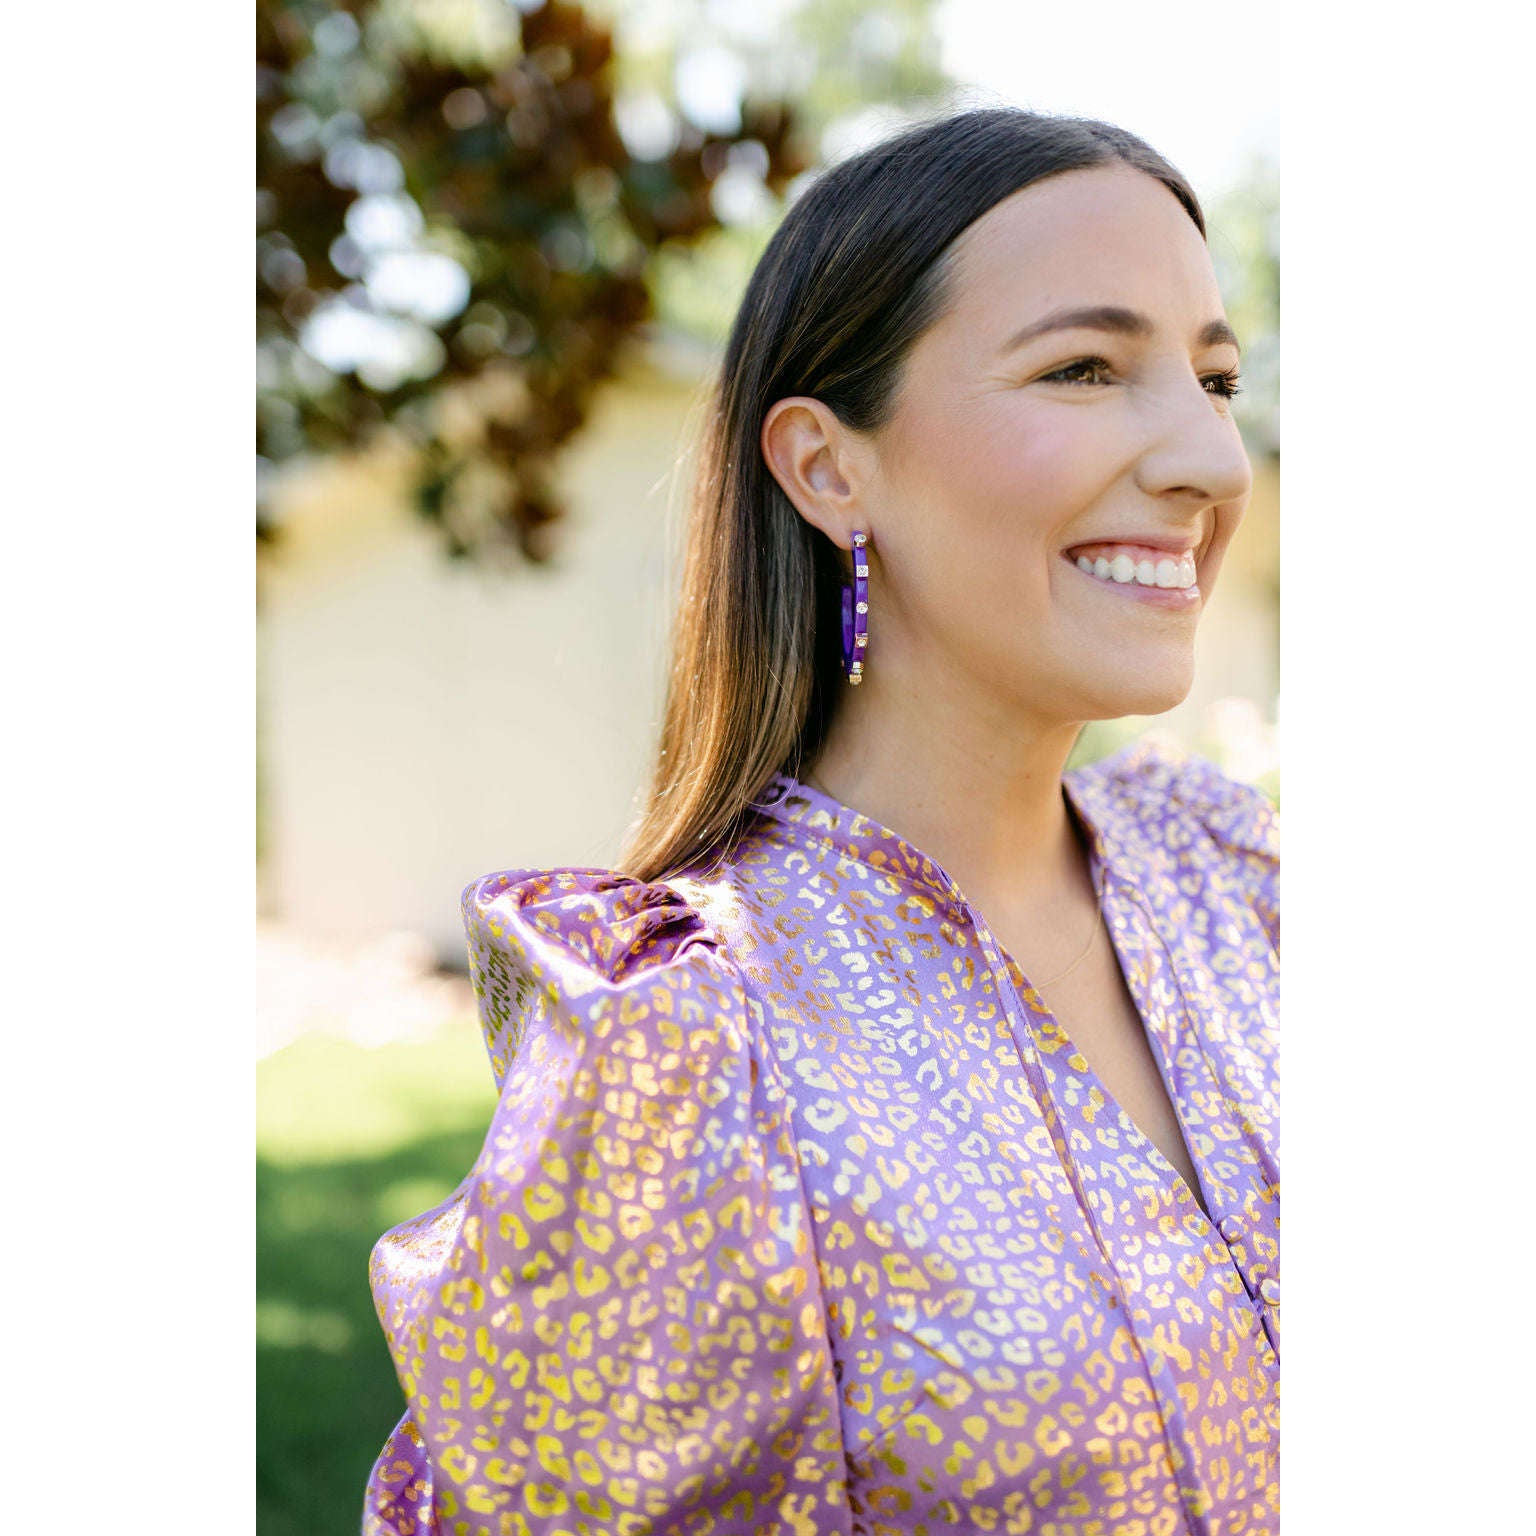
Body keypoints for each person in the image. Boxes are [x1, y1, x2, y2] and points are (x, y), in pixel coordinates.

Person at [362, 105, 1279, 1536]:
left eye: (1215, 379)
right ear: (828, 468)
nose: (1212, 462)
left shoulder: (1243, 882)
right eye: (1085, 368)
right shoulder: (685, 1043)